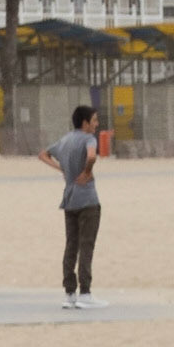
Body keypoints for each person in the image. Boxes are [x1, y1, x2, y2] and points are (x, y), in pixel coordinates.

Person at [40, 104, 104, 308]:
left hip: (69, 199)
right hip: (87, 199)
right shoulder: (88, 139)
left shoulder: (65, 140)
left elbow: (43, 154)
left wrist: (62, 169)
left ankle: (70, 293)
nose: (96, 124)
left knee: (71, 246)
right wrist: (87, 170)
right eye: (94, 120)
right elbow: (92, 155)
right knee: (86, 245)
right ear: (85, 123)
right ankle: (85, 292)